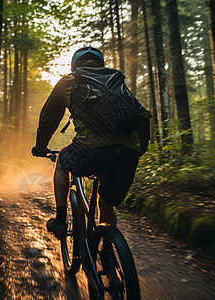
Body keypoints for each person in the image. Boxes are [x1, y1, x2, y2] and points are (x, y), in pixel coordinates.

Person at [32, 46, 151, 240]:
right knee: (106, 201)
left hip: (90, 151)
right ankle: (108, 249)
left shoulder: (69, 82)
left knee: (62, 161)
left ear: (73, 66)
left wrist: (41, 147)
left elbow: (48, 119)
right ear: (100, 63)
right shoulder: (115, 81)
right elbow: (143, 116)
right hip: (127, 155)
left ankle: (60, 221)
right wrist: (139, 149)